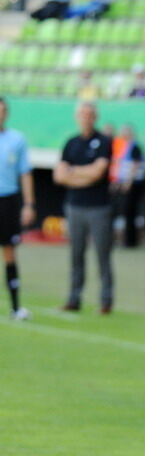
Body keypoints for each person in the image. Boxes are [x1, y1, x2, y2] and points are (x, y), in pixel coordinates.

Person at [53, 101, 113, 313]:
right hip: (74, 207)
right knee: (76, 255)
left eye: (89, 114)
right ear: (77, 117)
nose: (86, 118)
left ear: (95, 117)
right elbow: (59, 175)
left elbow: (97, 173)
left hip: (99, 207)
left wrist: (73, 172)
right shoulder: (71, 143)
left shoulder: (104, 141)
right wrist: (83, 175)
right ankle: (74, 298)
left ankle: (106, 301)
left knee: (102, 255)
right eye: (82, 114)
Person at [0, 97, 35, 321]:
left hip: (8, 201)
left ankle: (15, 307)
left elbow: (25, 173)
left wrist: (29, 204)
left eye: (2, 111)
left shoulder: (17, 139)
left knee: (10, 252)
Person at [109, 124, 145, 249]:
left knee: (130, 212)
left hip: (133, 184)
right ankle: (123, 240)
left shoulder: (135, 147)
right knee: (122, 212)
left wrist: (128, 182)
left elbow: (135, 165)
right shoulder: (123, 147)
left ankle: (130, 242)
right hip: (124, 182)